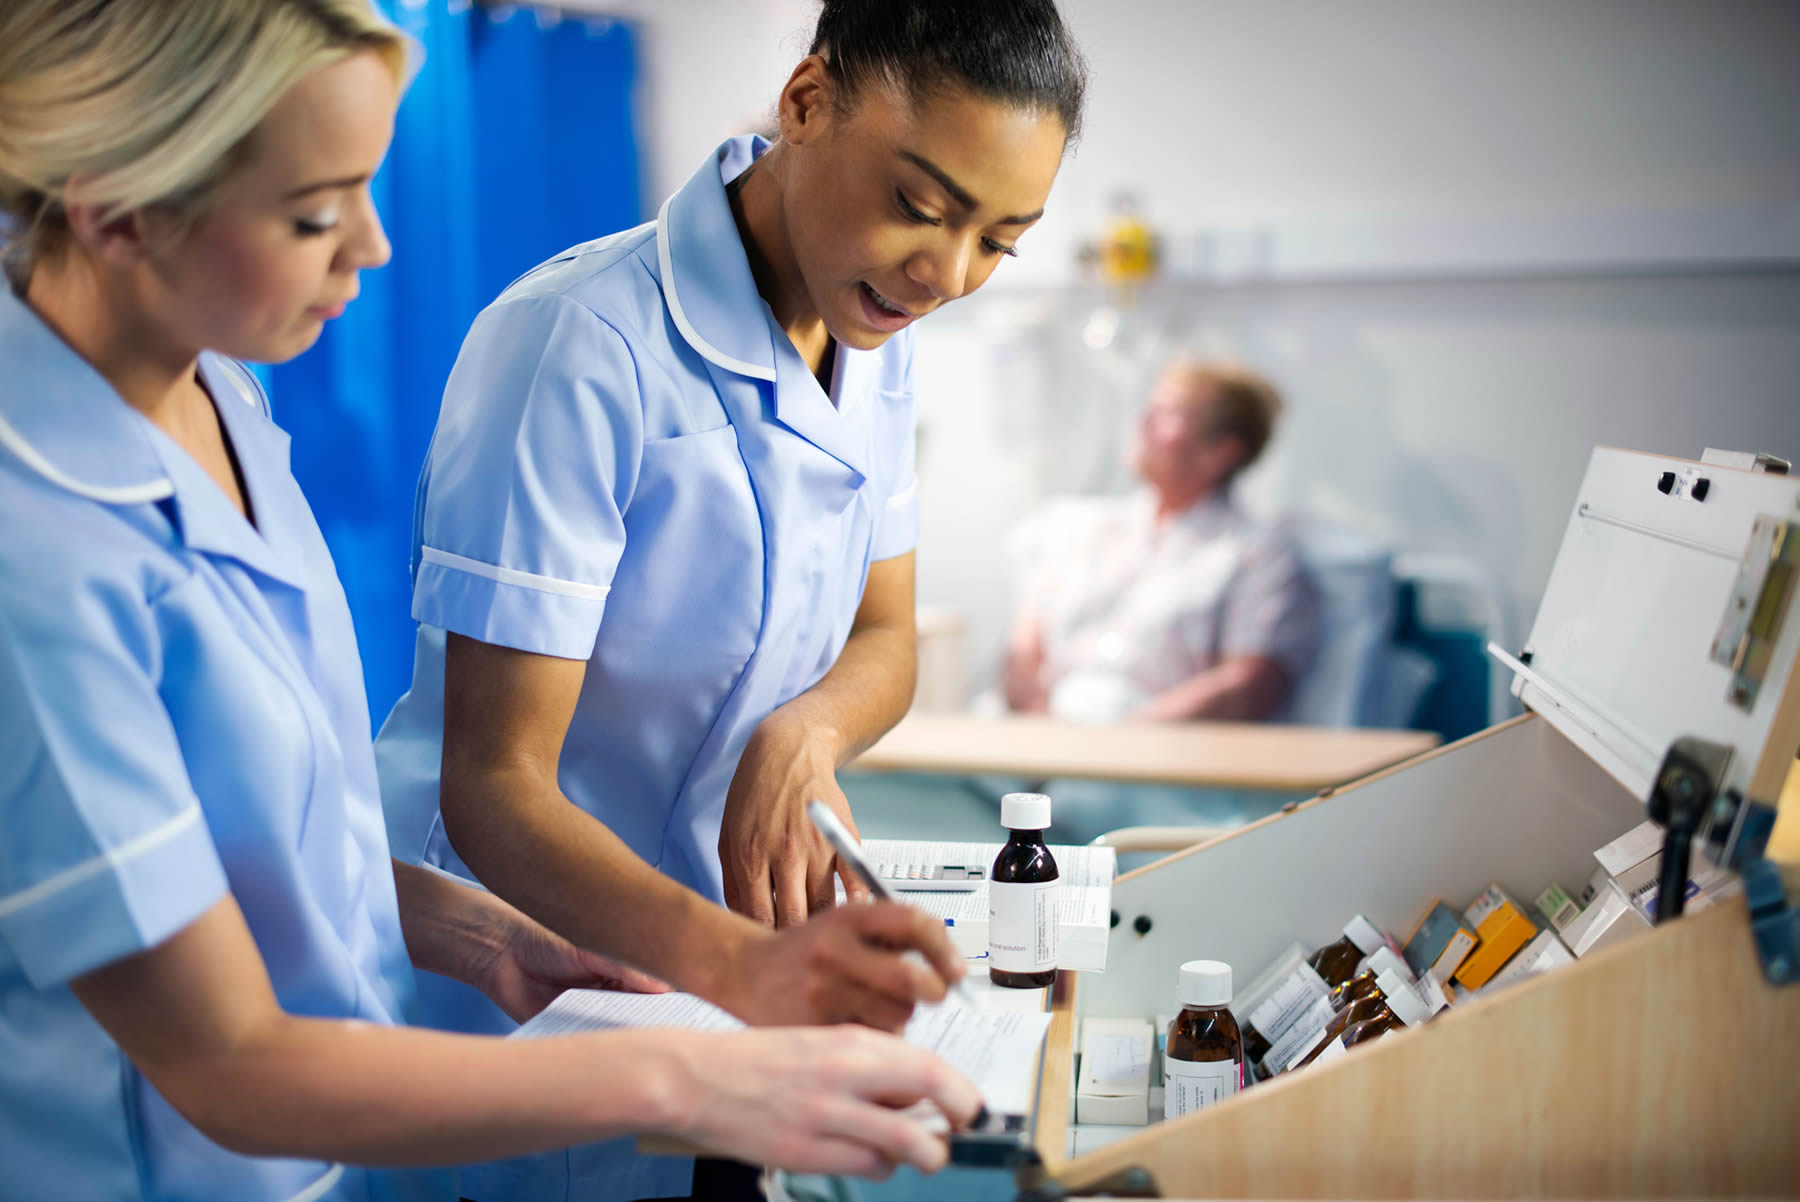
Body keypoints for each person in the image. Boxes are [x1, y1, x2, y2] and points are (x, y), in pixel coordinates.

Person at [0, 4, 978, 1200]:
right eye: (314, 212)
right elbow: (225, 1059)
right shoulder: (32, 556)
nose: (373, 247)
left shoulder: (218, 394)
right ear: (116, 209)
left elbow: (254, 838)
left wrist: (467, 926)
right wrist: (692, 1073)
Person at [372, 1, 1086, 1197]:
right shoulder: (579, 342)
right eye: (921, 204)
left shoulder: (877, 337)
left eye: (998, 240)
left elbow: (886, 637)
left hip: (714, 987)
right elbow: (495, 787)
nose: (946, 273)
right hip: (526, 981)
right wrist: (744, 969)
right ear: (805, 103)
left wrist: (802, 733)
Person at [1004, 358, 1320, 725]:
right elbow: (1023, 651)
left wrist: (1120, 741)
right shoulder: (1081, 531)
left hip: (1153, 755)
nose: (1142, 422)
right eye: (1150, 408)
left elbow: (1248, 686)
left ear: (1221, 452)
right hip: (1040, 739)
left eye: (1169, 414)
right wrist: (1043, 731)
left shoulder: (1255, 555)